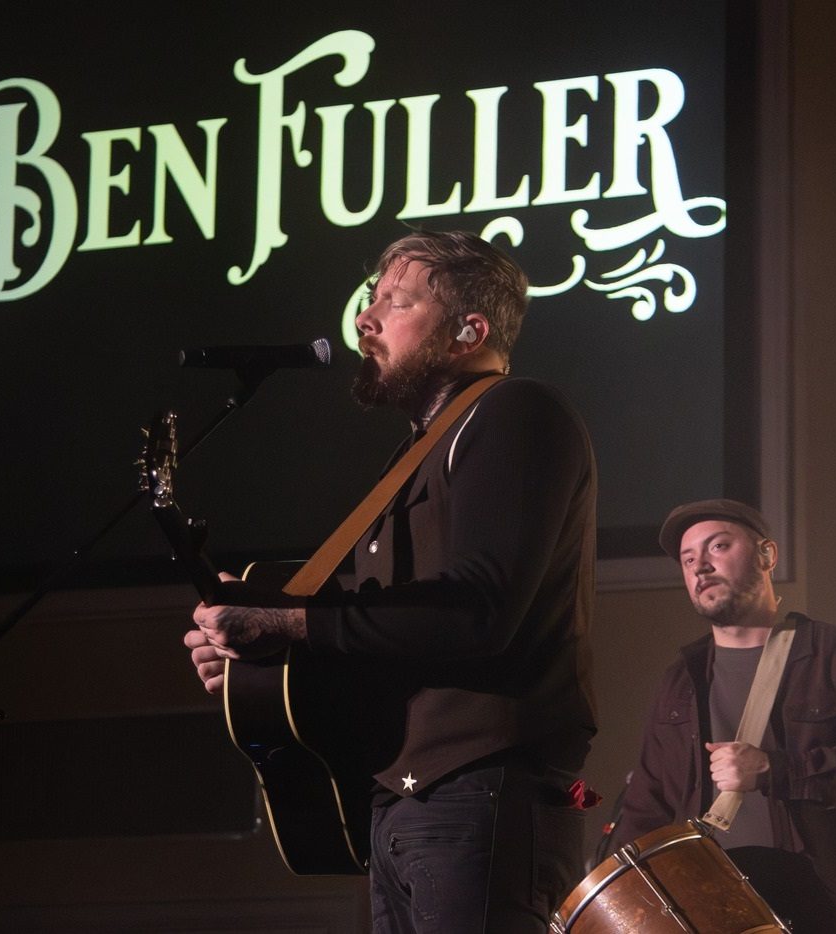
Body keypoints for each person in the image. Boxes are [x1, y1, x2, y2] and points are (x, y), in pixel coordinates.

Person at [184, 230, 599, 933]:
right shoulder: (418, 449)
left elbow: (477, 614)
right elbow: (390, 633)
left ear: (470, 330)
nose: (363, 320)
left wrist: (290, 625)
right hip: (406, 796)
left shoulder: (514, 413)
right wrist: (265, 660)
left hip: (481, 787)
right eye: (368, 301)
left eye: (394, 303)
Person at [611, 498, 836, 933]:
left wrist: (776, 769)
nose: (700, 567)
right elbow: (647, 809)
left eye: (717, 547)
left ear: (767, 555)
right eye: (688, 559)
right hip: (711, 917)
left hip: (825, 918)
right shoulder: (681, 678)